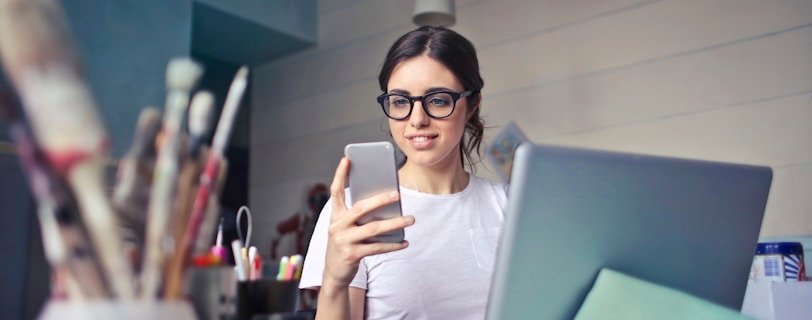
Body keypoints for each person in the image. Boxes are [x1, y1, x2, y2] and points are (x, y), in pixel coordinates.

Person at [299, 26, 507, 320]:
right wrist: (334, 282)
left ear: (472, 104)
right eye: (400, 102)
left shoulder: (508, 205)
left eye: (438, 100)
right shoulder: (351, 213)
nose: (417, 119)